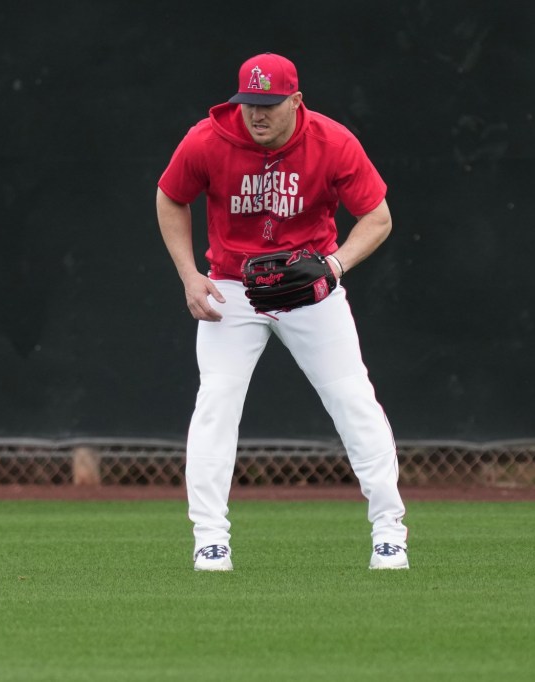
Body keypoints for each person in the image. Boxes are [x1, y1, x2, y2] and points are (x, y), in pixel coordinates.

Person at [155, 52, 409, 571]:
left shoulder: (332, 141)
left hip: (309, 289)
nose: (257, 115)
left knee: (354, 401)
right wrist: (189, 276)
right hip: (232, 287)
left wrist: (334, 267)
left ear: (295, 101)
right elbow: (169, 196)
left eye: (269, 104)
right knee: (216, 405)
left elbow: (377, 218)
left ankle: (389, 533)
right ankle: (209, 539)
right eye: (250, 103)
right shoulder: (207, 139)